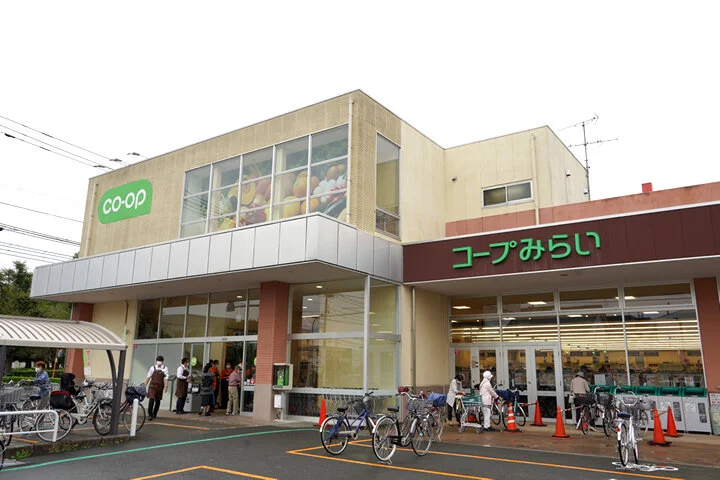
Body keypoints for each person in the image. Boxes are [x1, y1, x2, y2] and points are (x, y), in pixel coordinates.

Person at [145, 355, 169, 421]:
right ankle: (150, 414)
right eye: (158, 360)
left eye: (160, 361)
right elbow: (148, 376)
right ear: (156, 361)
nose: (159, 362)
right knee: (151, 399)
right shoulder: (152, 368)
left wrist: (166, 386)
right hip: (152, 386)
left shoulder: (165, 368)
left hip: (160, 386)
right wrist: (145, 385)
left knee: (158, 400)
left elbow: (166, 378)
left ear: (162, 361)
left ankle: (154, 413)